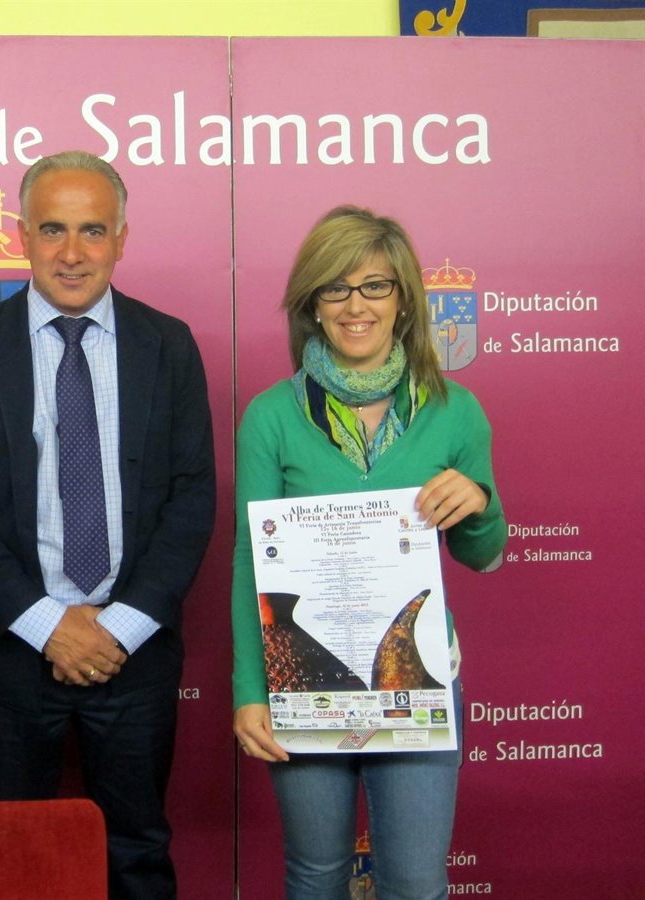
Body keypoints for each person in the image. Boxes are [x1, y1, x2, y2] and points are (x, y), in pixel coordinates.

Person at [0, 150, 215, 900]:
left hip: (134, 651)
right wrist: (47, 625)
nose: (72, 252)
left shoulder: (169, 345)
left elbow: (192, 498)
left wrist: (117, 628)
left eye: (93, 230)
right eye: (53, 229)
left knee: (136, 855)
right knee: (8, 861)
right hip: (10, 649)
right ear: (23, 235)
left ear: (121, 238)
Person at [231, 205, 506, 899]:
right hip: (304, 680)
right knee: (316, 873)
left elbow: (484, 554)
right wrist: (250, 692)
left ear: (403, 299)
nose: (356, 306)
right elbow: (250, 562)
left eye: (375, 286)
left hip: (415, 677)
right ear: (312, 305)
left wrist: (478, 502)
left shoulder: (455, 410)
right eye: (336, 288)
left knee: (414, 881)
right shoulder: (271, 415)